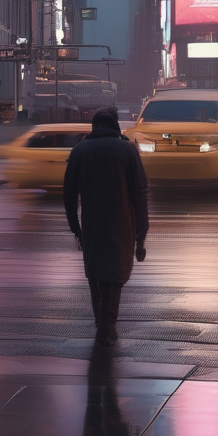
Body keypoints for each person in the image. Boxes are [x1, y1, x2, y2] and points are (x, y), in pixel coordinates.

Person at [63, 107, 149, 347]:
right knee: (114, 276)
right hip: (122, 223)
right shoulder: (127, 150)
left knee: (95, 274)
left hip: (91, 223)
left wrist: (75, 227)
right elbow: (140, 194)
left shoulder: (80, 150)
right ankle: (108, 325)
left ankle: (100, 323)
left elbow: (69, 194)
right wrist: (141, 234)